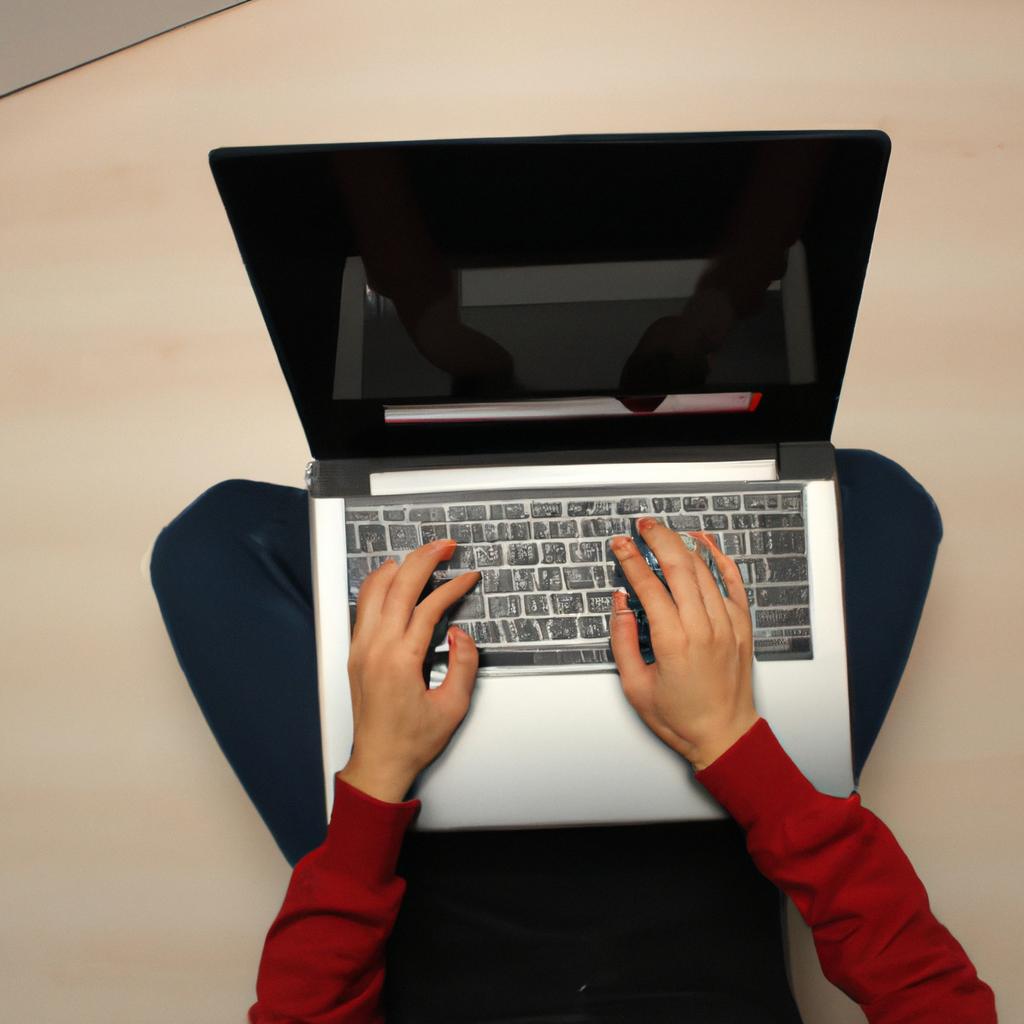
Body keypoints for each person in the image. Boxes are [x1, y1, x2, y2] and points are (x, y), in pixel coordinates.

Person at [237, 520, 996, 1024]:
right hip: (710, 854)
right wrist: (734, 746)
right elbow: (931, 997)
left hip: (422, 874)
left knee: (224, 536)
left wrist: (374, 778)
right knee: (875, 497)